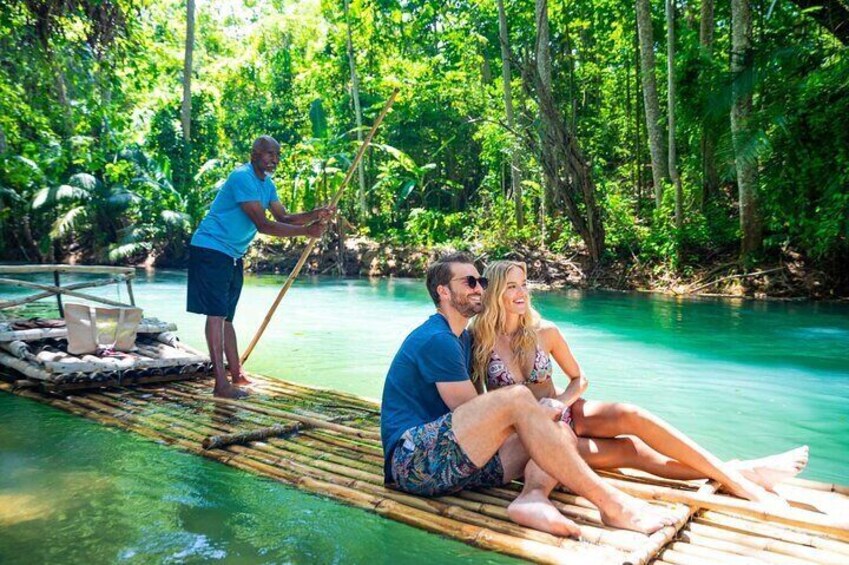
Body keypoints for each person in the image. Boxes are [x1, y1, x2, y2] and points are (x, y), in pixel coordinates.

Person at [469, 259, 809, 527]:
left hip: (567, 411)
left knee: (631, 415)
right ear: (495, 291)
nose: (522, 292)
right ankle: (744, 470)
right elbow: (476, 403)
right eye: (511, 285)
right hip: (537, 438)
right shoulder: (479, 339)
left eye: (524, 284)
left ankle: (740, 483)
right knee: (632, 452)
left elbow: (579, 379)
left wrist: (559, 401)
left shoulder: (545, 331)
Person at [380, 252, 678, 538]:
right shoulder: (438, 339)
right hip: (413, 461)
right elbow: (474, 415)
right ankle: (612, 505)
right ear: (443, 292)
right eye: (468, 282)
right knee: (518, 397)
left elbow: (477, 430)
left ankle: (531, 499)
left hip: (459, 465)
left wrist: (551, 409)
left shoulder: (464, 339)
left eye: (481, 281)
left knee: (559, 429)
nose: (479, 288)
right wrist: (530, 410)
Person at [187, 135, 334, 398]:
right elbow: (263, 225)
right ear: (254, 154)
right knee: (216, 315)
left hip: (232, 253)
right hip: (211, 248)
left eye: (277, 155)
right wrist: (306, 231)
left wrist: (316, 214)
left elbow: (283, 216)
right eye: (269, 154)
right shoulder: (242, 177)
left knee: (227, 317)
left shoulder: (268, 185)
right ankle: (220, 384)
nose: (274, 159)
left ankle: (236, 373)